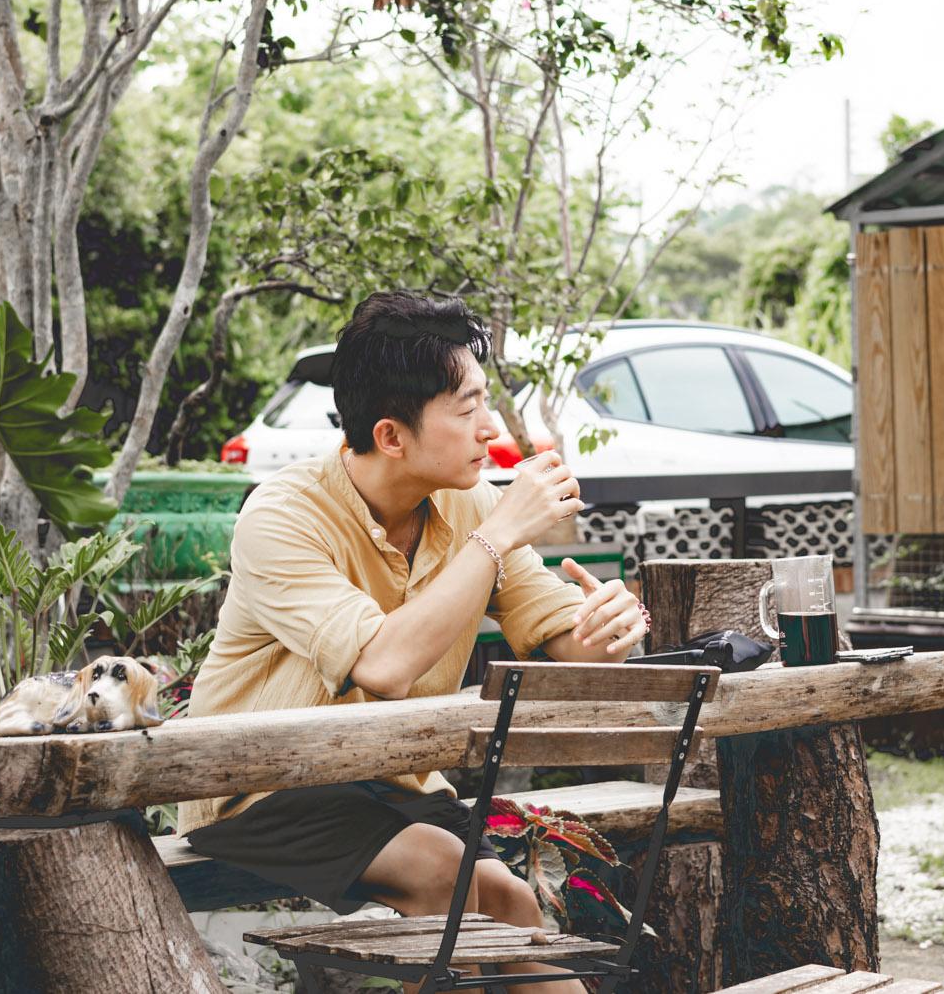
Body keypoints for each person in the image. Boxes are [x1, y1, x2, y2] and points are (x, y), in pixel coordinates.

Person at [175, 291, 650, 992]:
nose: (491, 428)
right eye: (467, 409)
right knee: (442, 872)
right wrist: (496, 536)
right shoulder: (280, 515)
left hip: (390, 776)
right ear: (393, 434)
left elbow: (559, 636)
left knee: (513, 900)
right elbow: (384, 663)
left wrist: (609, 624)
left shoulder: (472, 505)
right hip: (259, 781)